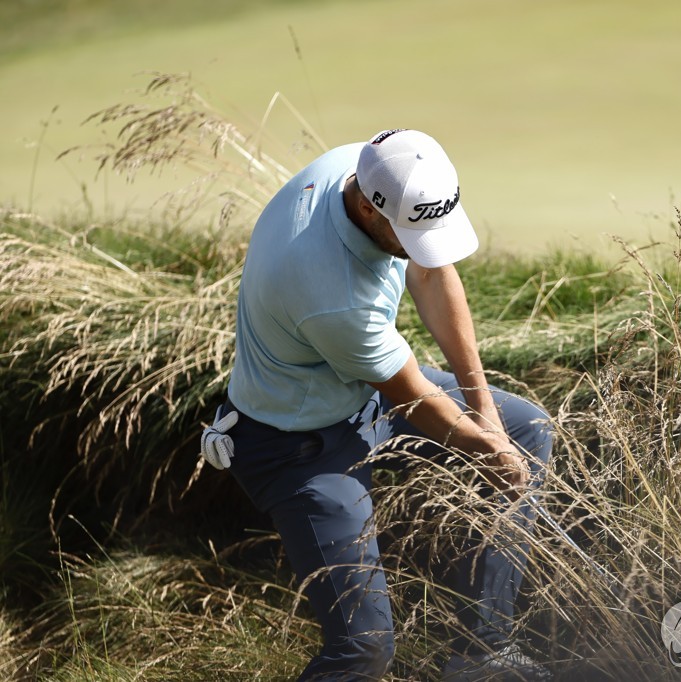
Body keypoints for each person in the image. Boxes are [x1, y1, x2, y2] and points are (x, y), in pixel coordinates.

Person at [199, 129, 554, 681]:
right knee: (362, 650)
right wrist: (486, 450)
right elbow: (414, 400)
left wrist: (488, 418)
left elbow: (433, 273)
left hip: (362, 397)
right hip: (297, 448)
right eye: (412, 234)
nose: (422, 244)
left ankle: (483, 657)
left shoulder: (362, 167)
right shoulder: (330, 293)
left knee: (525, 430)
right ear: (367, 208)